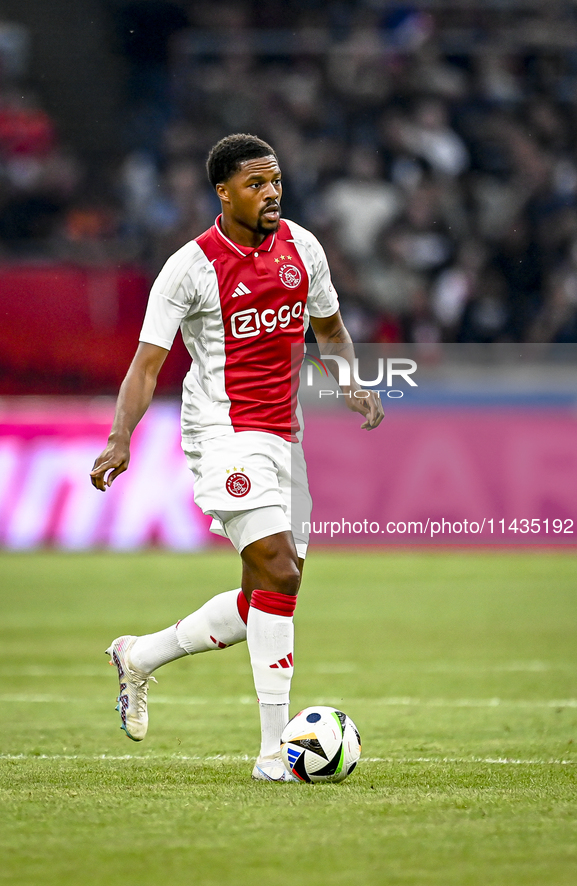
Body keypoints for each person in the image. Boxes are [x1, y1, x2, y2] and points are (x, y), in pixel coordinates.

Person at [90, 133, 383, 782]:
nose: (271, 192)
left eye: (276, 180)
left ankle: (138, 657)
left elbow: (328, 326)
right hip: (221, 433)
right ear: (223, 192)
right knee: (278, 571)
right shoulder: (189, 268)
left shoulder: (303, 248)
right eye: (256, 184)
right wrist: (120, 436)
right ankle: (275, 753)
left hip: (286, 435)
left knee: (269, 594)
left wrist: (350, 381)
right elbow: (146, 365)